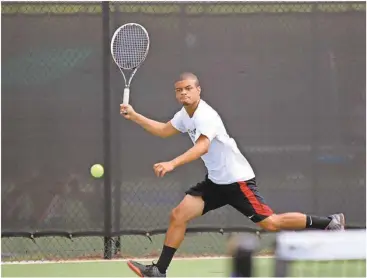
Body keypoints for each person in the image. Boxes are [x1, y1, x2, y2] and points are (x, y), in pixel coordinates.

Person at [120, 72, 345, 277]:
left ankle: (329, 223)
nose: (184, 93)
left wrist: (172, 163)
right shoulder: (184, 115)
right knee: (178, 215)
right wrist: (135, 115)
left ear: (198, 90)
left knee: (271, 223)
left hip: (238, 181)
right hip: (216, 182)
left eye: (188, 88)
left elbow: (202, 147)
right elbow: (163, 130)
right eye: (179, 90)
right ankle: (159, 271)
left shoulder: (205, 115)